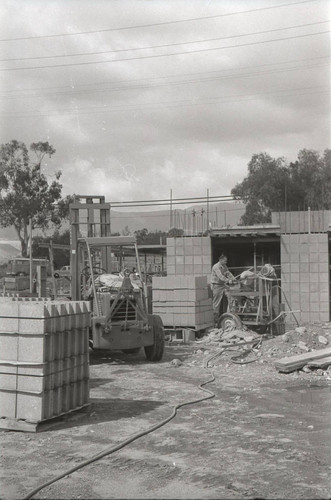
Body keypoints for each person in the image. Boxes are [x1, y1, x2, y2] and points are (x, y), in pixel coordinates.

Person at [210, 253, 235, 326]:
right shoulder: (216, 266)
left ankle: (230, 314)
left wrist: (233, 279)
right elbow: (220, 276)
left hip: (223, 285)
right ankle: (215, 322)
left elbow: (228, 273)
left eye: (226, 261)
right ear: (220, 260)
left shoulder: (224, 266)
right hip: (216, 286)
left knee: (230, 295)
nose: (226, 262)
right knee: (216, 304)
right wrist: (228, 280)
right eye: (225, 261)